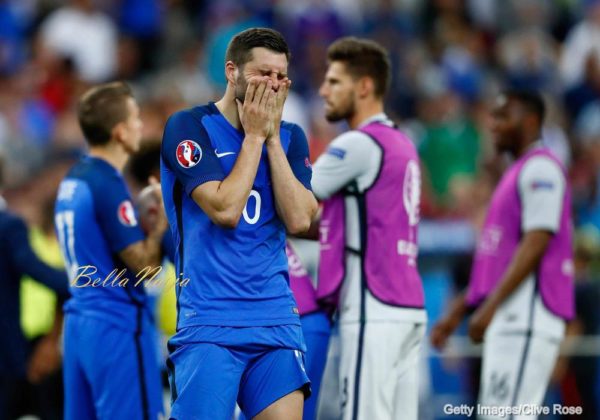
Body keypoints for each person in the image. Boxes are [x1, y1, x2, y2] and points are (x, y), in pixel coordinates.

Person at [160, 28, 318, 420]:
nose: (275, 85)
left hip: (276, 320)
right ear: (232, 72)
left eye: (281, 77)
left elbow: (300, 218)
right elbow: (226, 210)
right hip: (210, 323)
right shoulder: (188, 128)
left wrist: (273, 141)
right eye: (264, 73)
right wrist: (253, 138)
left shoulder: (292, 138)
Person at [431, 90, 574, 419]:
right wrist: (460, 309)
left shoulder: (541, 169)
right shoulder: (517, 172)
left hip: (527, 316)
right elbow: (498, 262)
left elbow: (537, 242)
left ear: (531, 121)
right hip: (510, 318)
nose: (492, 125)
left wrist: (490, 307)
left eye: (502, 116)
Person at [312, 37, 427, 420]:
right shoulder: (403, 143)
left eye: (334, 82)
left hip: (372, 306)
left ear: (363, 87)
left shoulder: (358, 145)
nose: (323, 91)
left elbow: (296, 198)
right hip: (408, 305)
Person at [54, 82, 167, 420]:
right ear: (119, 132)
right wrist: (161, 223)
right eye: (134, 118)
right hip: (115, 325)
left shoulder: (73, 179)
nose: (140, 126)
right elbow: (145, 267)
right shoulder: (108, 184)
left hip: (78, 325)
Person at [0, 157, 70, 419]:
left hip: (9, 365)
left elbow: (60, 284)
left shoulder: (9, 228)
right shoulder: (9, 227)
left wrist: (51, 341)